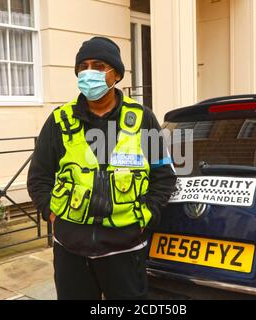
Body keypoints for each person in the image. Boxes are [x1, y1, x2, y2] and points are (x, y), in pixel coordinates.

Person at [27, 37, 177, 300]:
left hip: (125, 249)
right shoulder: (59, 121)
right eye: (83, 66)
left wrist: (145, 217)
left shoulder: (142, 119)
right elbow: (39, 177)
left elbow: (163, 176)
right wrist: (52, 214)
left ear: (115, 74)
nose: (88, 73)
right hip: (70, 251)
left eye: (98, 66)